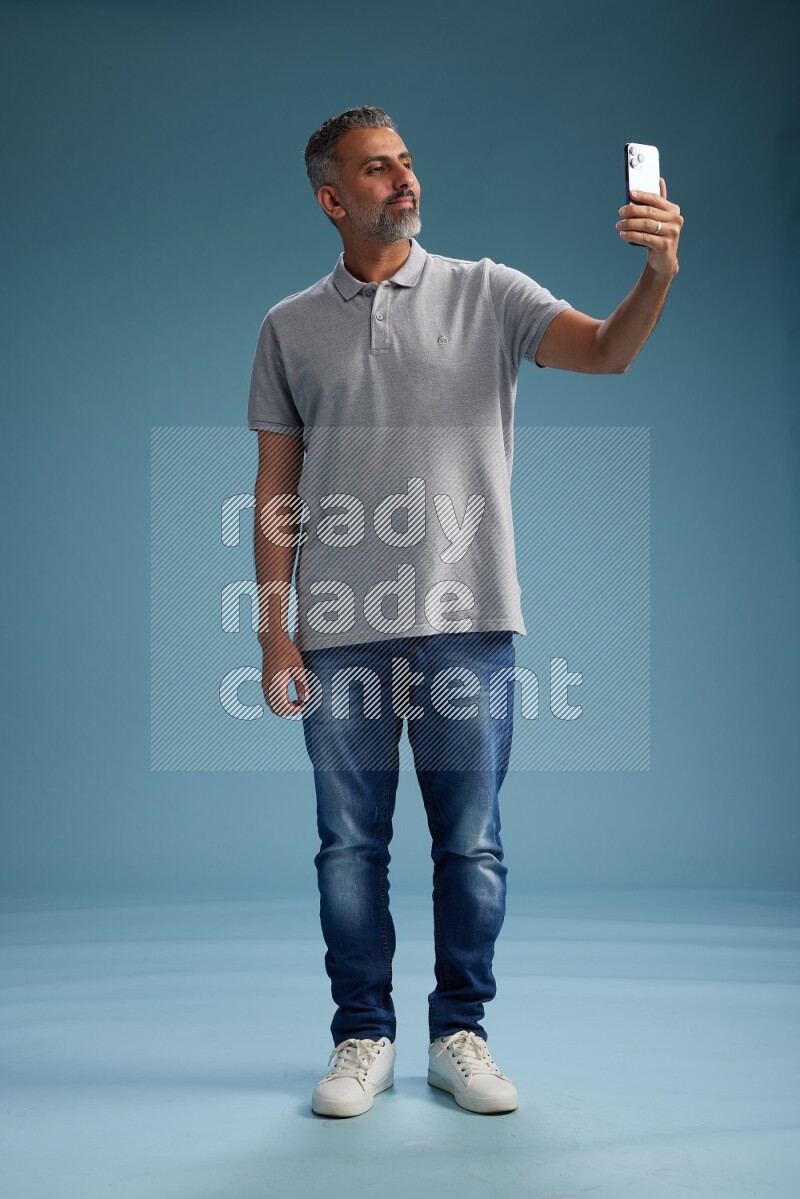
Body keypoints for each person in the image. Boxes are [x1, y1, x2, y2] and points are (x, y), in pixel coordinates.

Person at [248, 107, 683, 1118]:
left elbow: (608, 352)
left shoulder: (489, 293)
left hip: (469, 618)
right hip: (338, 630)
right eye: (374, 168)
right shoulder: (286, 327)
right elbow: (275, 488)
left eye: (404, 161)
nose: (400, 179)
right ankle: (362, 1036)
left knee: (470, 842)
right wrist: (274, 629)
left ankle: (458, 1031)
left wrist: (655, 276)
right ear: (331, 198)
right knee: (348, 846)